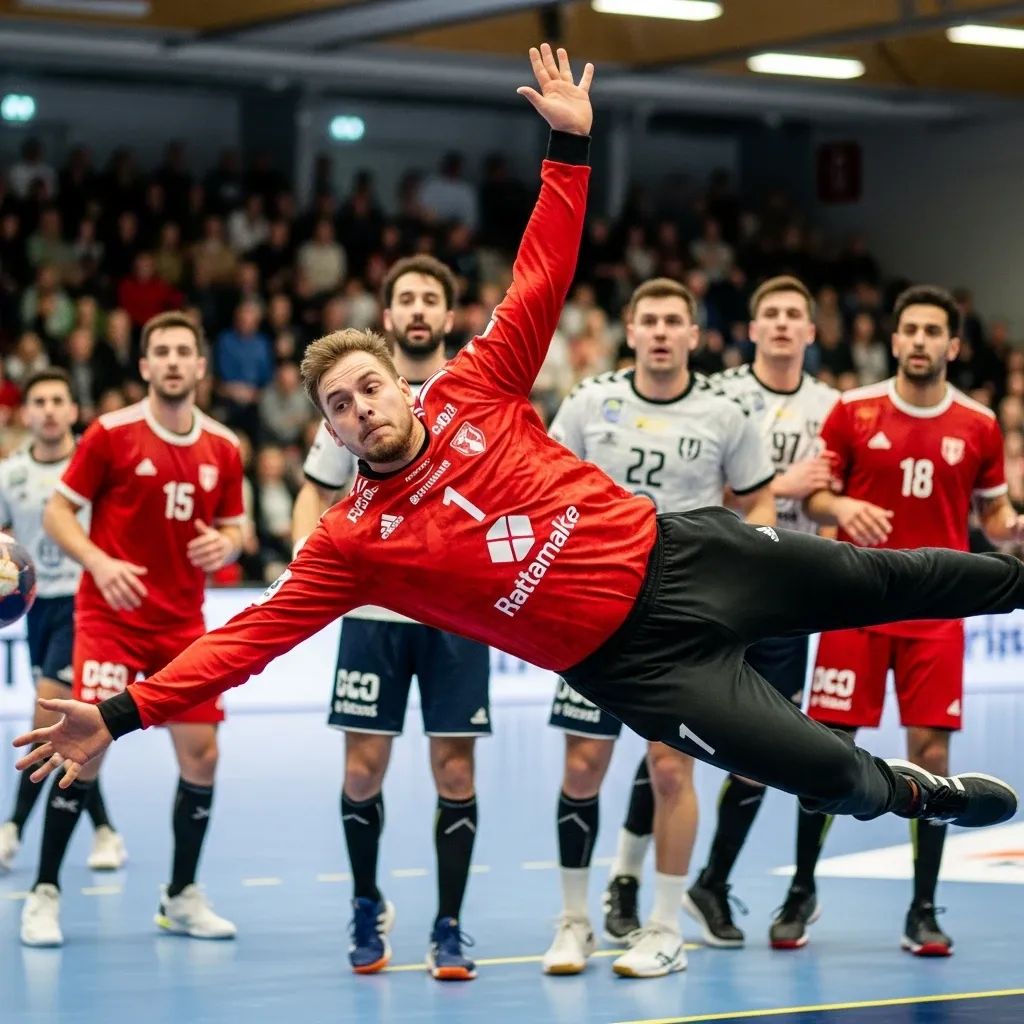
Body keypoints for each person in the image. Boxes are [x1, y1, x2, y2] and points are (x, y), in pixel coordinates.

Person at [14, 47, 1021, 966]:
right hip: (634, 665)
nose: (360, 410)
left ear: (400, 385)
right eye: (337, 407)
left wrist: (569, 141)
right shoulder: (351, 544)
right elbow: (252, 640)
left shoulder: (474, 384)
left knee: (892, 578)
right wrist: (118, 712)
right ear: (331, 429)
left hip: (687, 558)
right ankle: (915, 795)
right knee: (823, 773)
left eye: (368, 387)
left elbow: (544, 267)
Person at [770, 284, 1019, 957]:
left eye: (932, 331)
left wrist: (1013, 527)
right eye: (908, 329)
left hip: (936, 613)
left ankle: (923, 908)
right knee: (823, 749)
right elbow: (815, 497)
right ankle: (800, 890)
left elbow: (995, 521)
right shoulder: (852, 412)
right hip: (854, 602)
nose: (918, 341)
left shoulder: (979, 425)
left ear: (953, 346)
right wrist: (841, 509)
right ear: (895, 339)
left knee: (932, 756)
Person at [541, 277, 776, 978]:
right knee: (583, 767)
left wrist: (745, 577)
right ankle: (574, 920)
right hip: (592, 610)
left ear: (695, 335)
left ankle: (666, 927)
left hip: (684, 616)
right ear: (631, 330)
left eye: (676, 321)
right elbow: (546, 486)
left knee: (673, 766)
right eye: (651, 320)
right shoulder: (589, 403)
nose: (664, 332)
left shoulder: (724, 412)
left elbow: (758, 498)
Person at [17, 311, 246, 947]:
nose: (173, 361)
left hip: (182, 625)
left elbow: (239, 529)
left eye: (184, 351)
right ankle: (44, 894)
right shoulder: (111, 435)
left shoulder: (225, 447)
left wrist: (225, 546)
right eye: (161, 352)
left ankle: (180, 896)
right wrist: (98, 560)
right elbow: (58, 511)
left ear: (200, 366)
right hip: (110, 620)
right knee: (83, 752)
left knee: (202, 757)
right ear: (144, 366)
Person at [291, 254, 491, 981]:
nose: (416, 308)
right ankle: (366, 903)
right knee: (363, 771)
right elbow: (312, 495)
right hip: (374, 614)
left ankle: (449, 925)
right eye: (403, 297)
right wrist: (307, 557)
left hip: (457, 616)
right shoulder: (353, 399)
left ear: (445, 314)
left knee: (455, 770)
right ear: (389, 313)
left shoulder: (466, 394)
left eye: (428, 298)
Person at [675, 276, 839, 947]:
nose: (780, 324)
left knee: (791, 742)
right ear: (751, 326)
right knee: (676, 737)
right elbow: (696, 485)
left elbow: (847, 486)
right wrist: (780, 486)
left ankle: (769, 886)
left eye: (793, 314)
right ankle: (653, 884)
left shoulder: (836, 405)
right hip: (723, 587)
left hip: (799, 595)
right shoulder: (721, 396)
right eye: (769, 313)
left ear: (810, 330)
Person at [0, 370, 126, 874]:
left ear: (74, 411)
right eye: (39, 402)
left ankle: (12, 828)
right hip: (37, 609)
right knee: (66, 727)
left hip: (86, 604)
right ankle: (105, 830)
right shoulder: (10, 474)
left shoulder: (92, 465)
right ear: (25, 413)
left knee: (46, 722)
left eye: (58, 401)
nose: (49, 410)